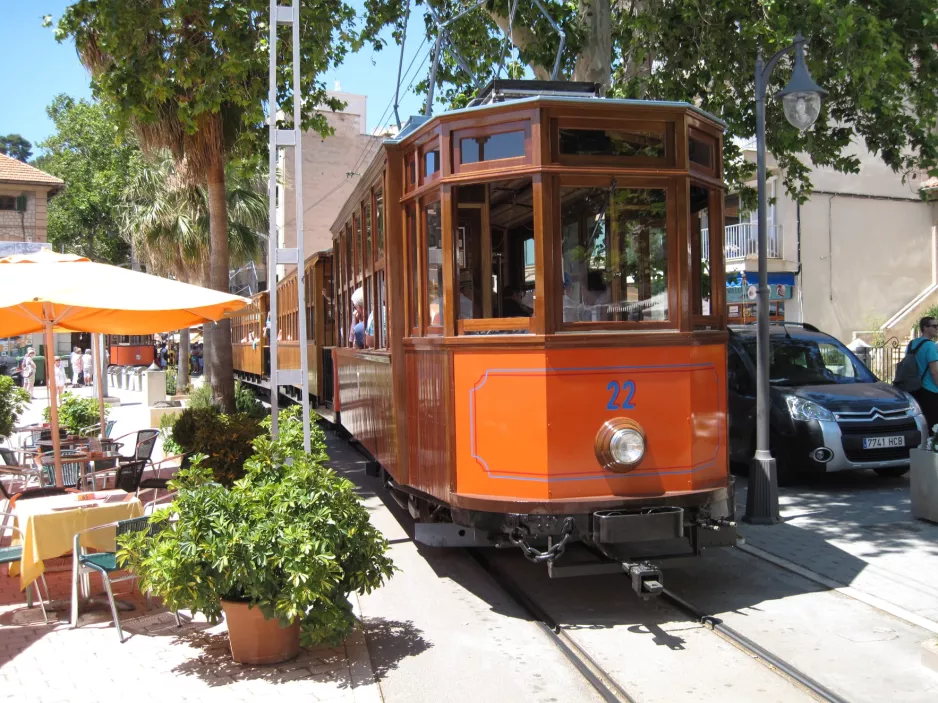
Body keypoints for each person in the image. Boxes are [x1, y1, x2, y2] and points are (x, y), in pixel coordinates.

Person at [910, 316, 938, 431]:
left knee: (922, 424)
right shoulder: (930, 345)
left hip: (915, 389)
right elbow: (934, 371)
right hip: (930, 390)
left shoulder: (912, 344)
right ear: (925, 328)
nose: (937, 328)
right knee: (934, 425)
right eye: (934, 326)